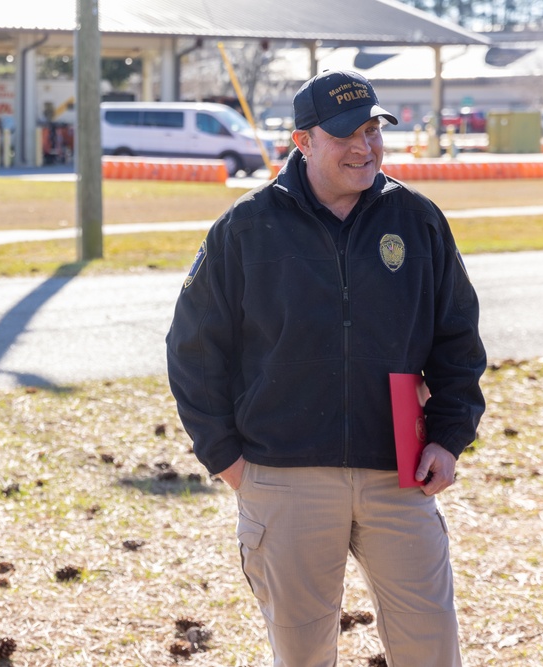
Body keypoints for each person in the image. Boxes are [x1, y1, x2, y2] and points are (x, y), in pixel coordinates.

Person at [166, 69, 485, 666]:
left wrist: (448, 435)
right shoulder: (245, 228)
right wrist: (228, 460)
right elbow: (193, 349)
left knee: (432, 649)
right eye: (345, 136)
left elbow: (457, 339)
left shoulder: (416, 221)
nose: (364, 148)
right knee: (304, 655)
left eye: (372, 130)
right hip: (284, 479)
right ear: (303, 142)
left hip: (400, 475)